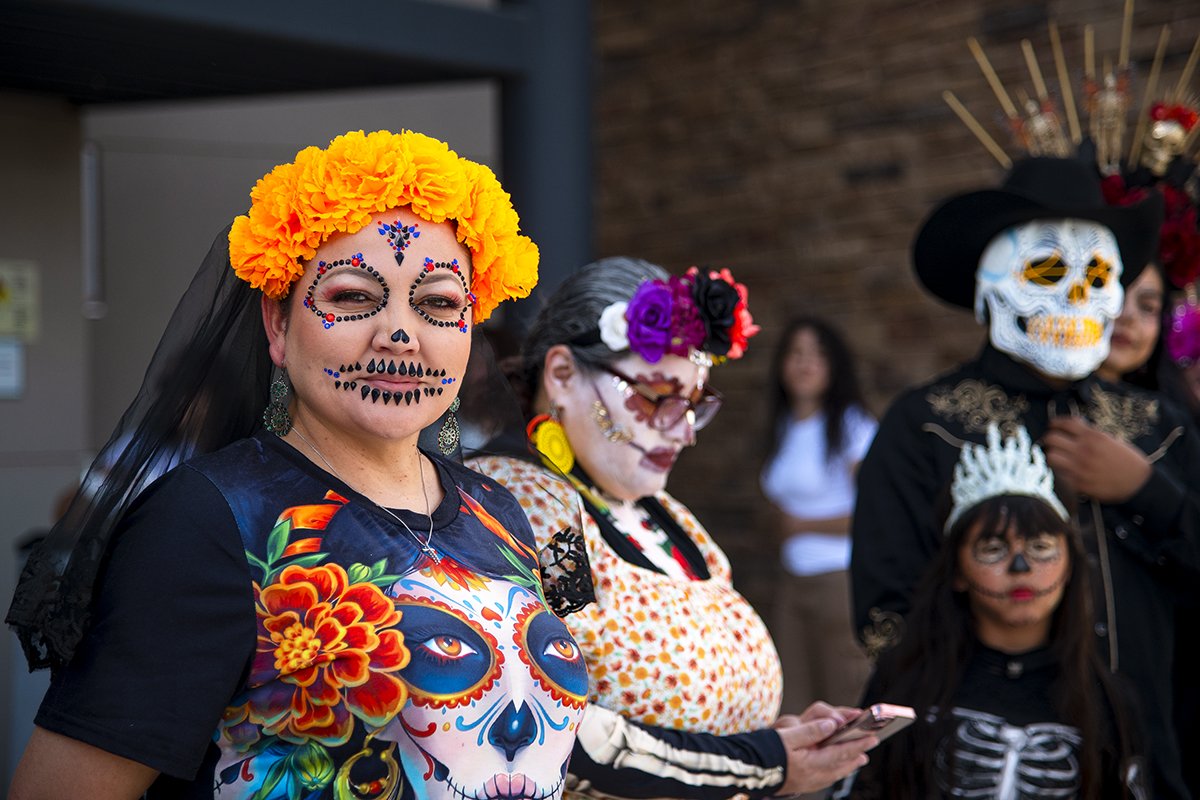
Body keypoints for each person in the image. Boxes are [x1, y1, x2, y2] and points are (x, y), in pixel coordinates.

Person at [7, 130, 588, 799]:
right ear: (278, 327)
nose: (399, 332)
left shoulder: (501, 513)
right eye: (351, 298)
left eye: (438, 304)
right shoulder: (209, 521)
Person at [849, 156, 1200, 798]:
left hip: (1148, 750)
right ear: (994, 282)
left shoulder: (1159, 428)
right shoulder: (925, 423)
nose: (1075, 294)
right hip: (972, 762)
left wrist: (1148, 492)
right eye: (1046, 269)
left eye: (1096, 274)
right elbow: (884, 608)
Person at [469, 257, 877, 798]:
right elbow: (551, 726)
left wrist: (782, 742)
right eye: (655, 397)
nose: (683, 432)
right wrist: (760, 762)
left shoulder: (670, 519)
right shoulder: (518, 505)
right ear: (563, 375)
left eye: (693, 403)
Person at [837, 425, 1145, 799]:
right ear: (957, 572)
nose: (1020, 568)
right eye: (993, 548)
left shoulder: (1108, 700)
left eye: (1041, 547)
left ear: (1070, 568)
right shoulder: (904, 686)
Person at [760, 317, 876, 712]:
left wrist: (802, 525)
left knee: (845, 695)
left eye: (817, 354)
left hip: (837, 582)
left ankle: (849, 777)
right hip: (792, 581)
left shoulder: (851, 427)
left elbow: (873, 513)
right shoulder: (784, 427)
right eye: (796, 353)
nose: (805, 363)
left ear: (834, 366)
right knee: (795, 698)